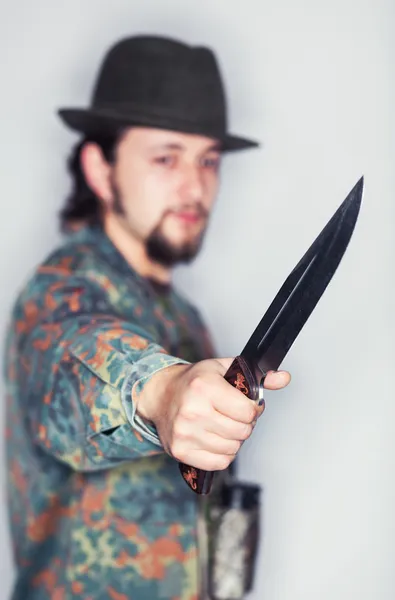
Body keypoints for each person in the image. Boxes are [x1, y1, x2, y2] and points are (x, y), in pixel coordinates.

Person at [3, 35, 291, 599]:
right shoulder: (58, 291)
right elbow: (75, 357)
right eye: (166, 157)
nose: (196, 185)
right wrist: (162, 392)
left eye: (208, 160)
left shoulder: (184, 317)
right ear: (100, 168)